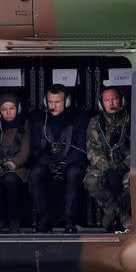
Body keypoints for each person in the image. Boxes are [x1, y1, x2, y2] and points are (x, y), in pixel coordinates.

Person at [29, 84, 87, 233]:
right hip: (47, 163)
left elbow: (81, 148)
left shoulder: (78, 117)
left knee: (74, 173)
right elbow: (35, 149)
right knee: (35, 173)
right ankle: (44, 219)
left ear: (66, 102)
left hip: (71, 162)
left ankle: (69, 220)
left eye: (58, 102)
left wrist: (63, 163)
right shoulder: (40, 118)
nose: (53, 106)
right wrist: (50, 164)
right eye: (50, 102)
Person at [84, 86, 131, 231]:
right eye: (107, 100)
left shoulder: (130, 119)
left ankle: (111, 216)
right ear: (101, 103)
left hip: (127, 166)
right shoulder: (96, 122)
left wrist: (124, 166)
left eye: (115, 99)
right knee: (91, 180)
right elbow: (93, 150)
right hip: (103, 166)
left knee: (133, 181)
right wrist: (108, 170)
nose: (111, 103)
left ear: (121, 100)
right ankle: (122, 217)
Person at [0, 94, 30, 233]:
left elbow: (25, 151)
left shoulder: (24, 123)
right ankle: (0, 219)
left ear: (17, 109)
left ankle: (13, 219)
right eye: (4, 109)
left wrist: (11, 164)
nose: (8, 113)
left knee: (10, 180)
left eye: (12, 108)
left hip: (17, 167)